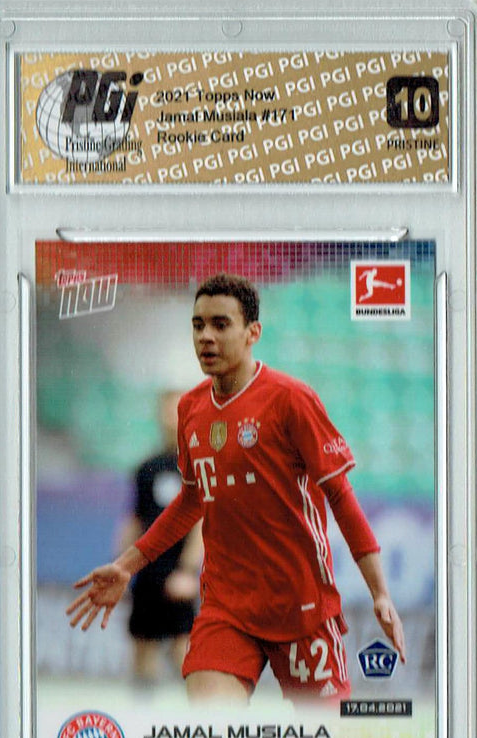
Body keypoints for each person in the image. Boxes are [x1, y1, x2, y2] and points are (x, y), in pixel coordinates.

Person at [67, 273, 406, 705]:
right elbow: (192, 501)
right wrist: (125, 566)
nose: (206, 336)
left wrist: (379, 592)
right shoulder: (191, 409)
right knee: (213, 731)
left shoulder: (291, 399)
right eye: (198, 325)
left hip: (300, 606)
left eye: (220, 324)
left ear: (252, 333)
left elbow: (340, 496)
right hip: (227, 609)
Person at [118, 391, 202, 684]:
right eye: (167, 411)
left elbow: (201, 524)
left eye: (177, 411)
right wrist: (121, 568)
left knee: (185, 655)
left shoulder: (198, 466)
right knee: (143, 654)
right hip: (148, 572)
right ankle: (142, 709)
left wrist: (188, 571)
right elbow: (135, 520)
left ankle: (195, 713)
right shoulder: (147, 468)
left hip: (178, 573)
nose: (171, 418)